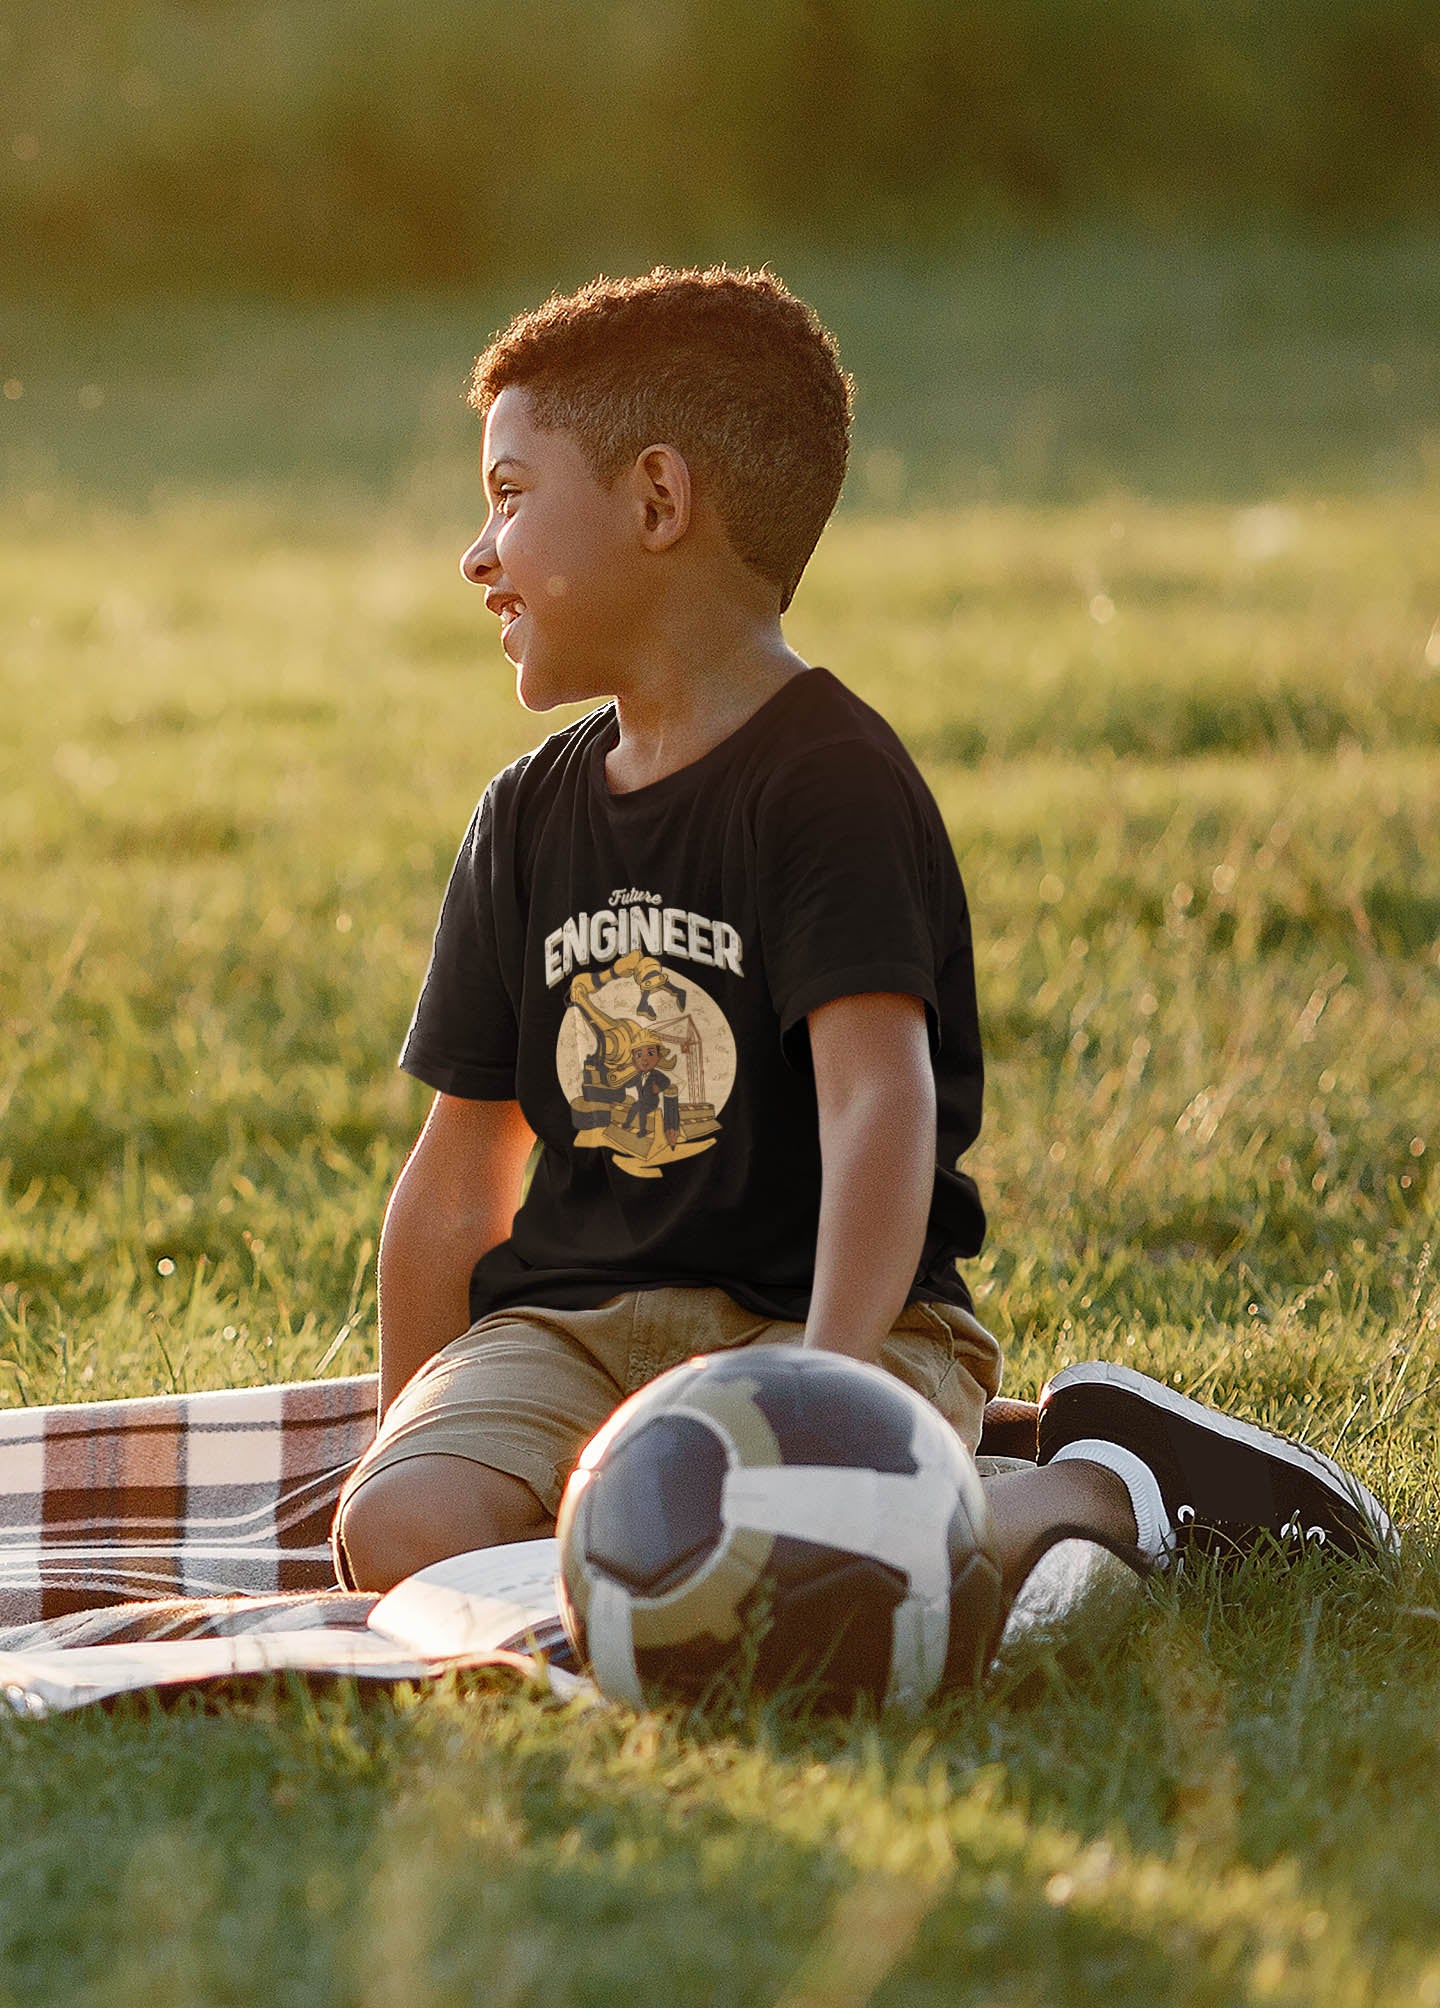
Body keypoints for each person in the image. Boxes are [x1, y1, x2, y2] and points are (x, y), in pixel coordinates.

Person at [332, 267, 1395, 1605]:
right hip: (575, 1327)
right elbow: (454, 1178)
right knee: (406, 1535)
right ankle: (853, 1516)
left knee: (780, 1564)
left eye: (507, 495)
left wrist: (824, 1402)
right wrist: (403, 1434)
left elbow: (878, 1107)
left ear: (657, 501)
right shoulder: (527, 815)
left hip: (835, 1318)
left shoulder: (825, 781)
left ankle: (1100, 1490)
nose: (477, 554)